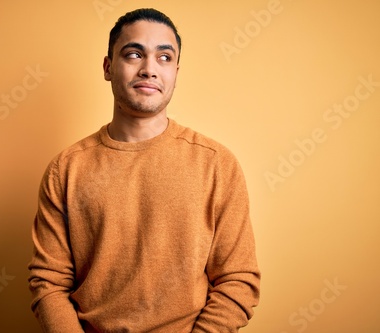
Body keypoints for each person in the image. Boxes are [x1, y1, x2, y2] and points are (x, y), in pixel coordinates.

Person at [28, 8, 260, 333]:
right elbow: (48, 282)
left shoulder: (217, 165)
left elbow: (238, 280)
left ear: (176, 72)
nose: (149, 69)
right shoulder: (65, 170)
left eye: (164, 57)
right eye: (134, 54)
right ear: (108, 67)